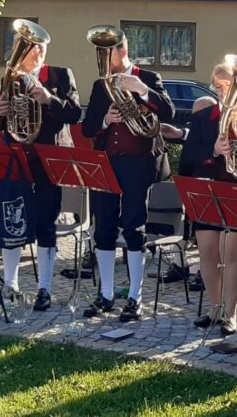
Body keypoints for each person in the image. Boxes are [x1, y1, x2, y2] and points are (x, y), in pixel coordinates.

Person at [81, 28, 174, 322]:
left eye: (107, 52)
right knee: (103, 227)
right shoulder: (100, 86)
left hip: (138, 163)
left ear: (123, 50)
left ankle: (135, 297)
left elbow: (169, 112)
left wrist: (142, 91)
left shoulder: (148, 78)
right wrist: (106, 120)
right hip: (107, 162)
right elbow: (87, 128)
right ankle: (106, 294)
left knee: (134, 228)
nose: (102, 58)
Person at [0, 30, 81, 311]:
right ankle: (11, 285)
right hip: (16, 156)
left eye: (41, 47)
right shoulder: (10, 78)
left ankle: (45, 288)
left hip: (48, 158)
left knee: (45, 223)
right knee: (11, 221)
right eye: (31, 47)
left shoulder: (60, 75)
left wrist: (48, 99)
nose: (37, 52)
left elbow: (75, 113)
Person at [178, 61, 237, 336]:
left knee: (230, 254)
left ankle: (231, 314)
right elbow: (187, 158)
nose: (223, 91)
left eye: (228, 86)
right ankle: (214, 308)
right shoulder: (203, 118)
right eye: (218, 86)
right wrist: (212, 149)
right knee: (208, 254)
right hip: (207, 190)